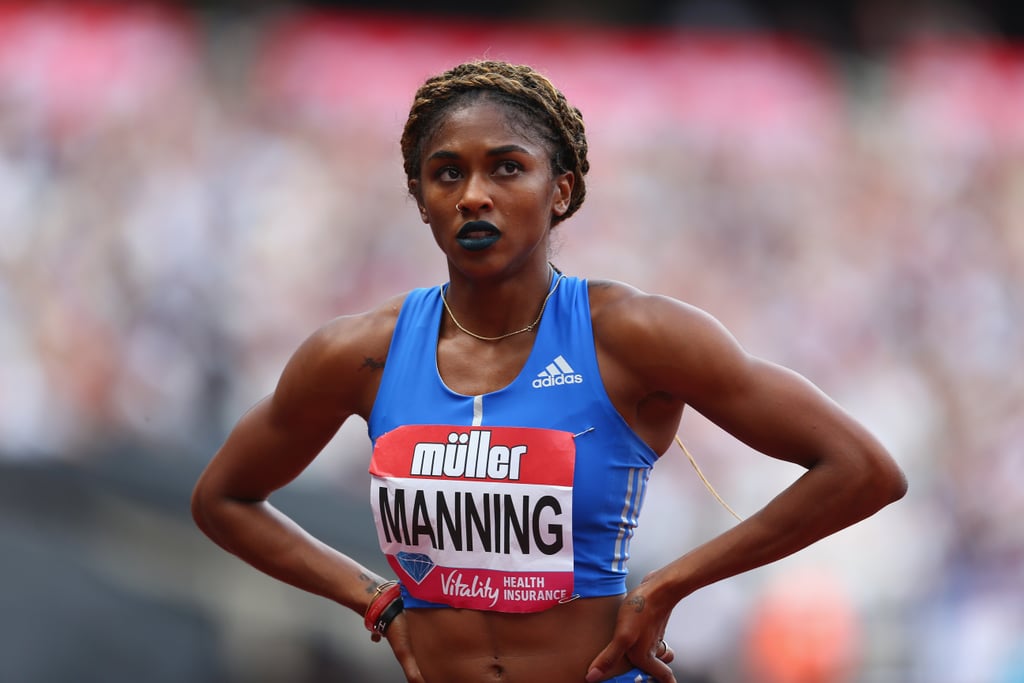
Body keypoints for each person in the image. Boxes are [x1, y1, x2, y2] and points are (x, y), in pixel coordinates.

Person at [191, 60, 908, 683]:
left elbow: (864, 468)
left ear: (560, 190)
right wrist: (372, 598)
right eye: (448, 173)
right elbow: (223, 498)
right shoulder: (358, 353)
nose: (474, 194)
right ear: (421, 200)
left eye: (506, 167)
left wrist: (667, 586)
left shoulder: (634, 335)